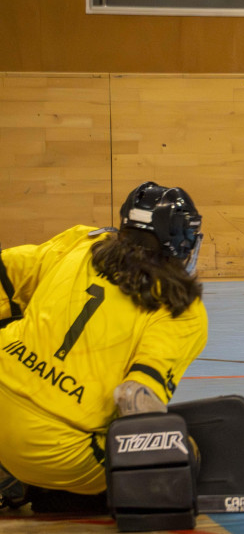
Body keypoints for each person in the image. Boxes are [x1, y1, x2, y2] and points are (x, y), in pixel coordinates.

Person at [0, 182, 207, 511]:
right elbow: (137, 400)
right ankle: (49, 489)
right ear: (179, 240)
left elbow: (6, 271)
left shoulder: (83, 242)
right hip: (59, 449)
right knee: (186, 451)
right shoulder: (182, 309)